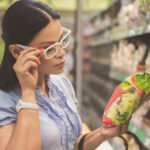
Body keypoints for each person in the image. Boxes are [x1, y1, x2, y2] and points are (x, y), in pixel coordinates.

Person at [0, 1, 130, 150]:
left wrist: (102, 134)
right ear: (17, 52)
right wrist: (28, 93)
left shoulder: (60, 83)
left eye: (62, 41)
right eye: (49, 48)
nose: (62, 53)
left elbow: (71, 143)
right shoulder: (4, 100)